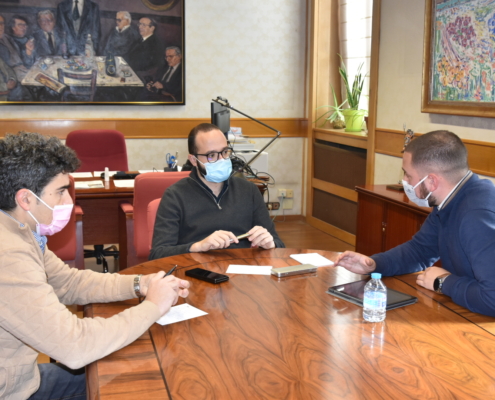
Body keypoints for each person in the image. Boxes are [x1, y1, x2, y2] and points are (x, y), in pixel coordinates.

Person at [0, 132, 190, 399]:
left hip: (21, 378)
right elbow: (75, 346)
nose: (69, 201)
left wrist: (140, 284)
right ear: (26, 199)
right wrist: (153, 306)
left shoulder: (19, 229)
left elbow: (67, 282)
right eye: (61, 192)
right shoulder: (8, 254)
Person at [335, 130, 495, 317]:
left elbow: (492, 298)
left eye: (408, 175)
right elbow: (420, 251)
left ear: (432, 181)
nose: (404, 181)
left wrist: (443, 282)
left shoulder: (477, 216)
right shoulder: (450, 200)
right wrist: (374, 264)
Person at [150, 123, 285, 260]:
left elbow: (279, 245)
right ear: (193, 160)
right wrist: (198, 246)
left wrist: (270, 243)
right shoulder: (175, 196)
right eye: (211, 155)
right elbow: (158, 254)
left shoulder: (249, 191)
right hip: (196, 270)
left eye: (225, 152)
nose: (221, 160)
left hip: (242, 270)